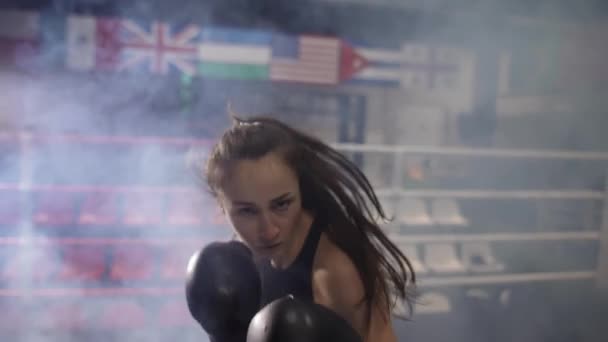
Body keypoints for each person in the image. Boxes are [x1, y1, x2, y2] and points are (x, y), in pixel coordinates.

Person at [188, 114, 416, 342]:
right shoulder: (239, 259)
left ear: (300, 189)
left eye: (281, 204)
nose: (268, 231)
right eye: (247, 211)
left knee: (288, 325)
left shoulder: (335, 271)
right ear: (221, 205)